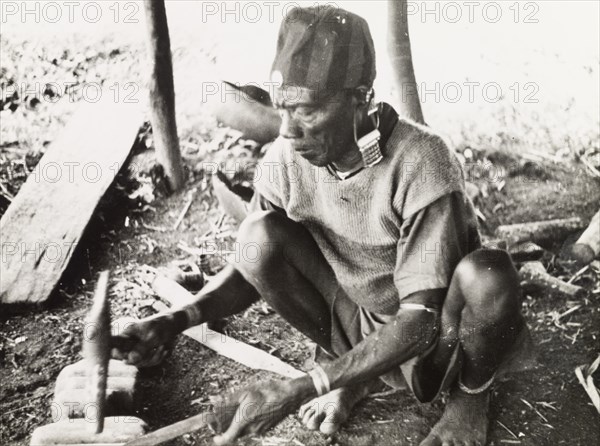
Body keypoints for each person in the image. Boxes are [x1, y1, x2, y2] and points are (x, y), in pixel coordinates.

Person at [112, 6, 532, 445]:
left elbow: (419, 321)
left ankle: (470, 396)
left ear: (360, 98)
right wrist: (176, 319)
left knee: (487, 276)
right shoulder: (286, 158)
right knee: (257, 236)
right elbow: (247, 271)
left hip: (438, 336)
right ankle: (351, 371)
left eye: (308, 110)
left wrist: (303, 387)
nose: (289, 131)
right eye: (282, 109)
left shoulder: (421, 162)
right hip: (355, 318)